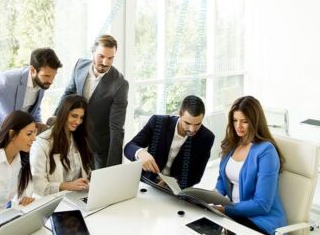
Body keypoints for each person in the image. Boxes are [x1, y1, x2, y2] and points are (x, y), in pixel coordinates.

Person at [212, 95, 287, 235]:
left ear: (255, 122)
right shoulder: (232, 145)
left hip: (261, 222)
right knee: (198, 225)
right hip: (235, 216)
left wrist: (226, 209)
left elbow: (262, 204)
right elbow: (222, 183)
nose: (238, 126)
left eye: (244, 121)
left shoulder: (266, 151)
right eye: (235, 120)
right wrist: (207, 199)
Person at [59, 35, 128, 169]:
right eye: (101, 56)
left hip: (99, 147)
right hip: (74, 139)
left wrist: (114, 168)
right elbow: (68, 94)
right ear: (93, 52)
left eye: (110, 58)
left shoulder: (120, 84)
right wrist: (56, 118)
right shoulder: (80, 65)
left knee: (100, 186)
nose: (105, 62)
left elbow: (116, 127)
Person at [123, 95, 214, 189]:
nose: (192, 129)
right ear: (180, 114)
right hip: (147, 183)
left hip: (176, 189)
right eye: (187, 123)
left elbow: (196, 176)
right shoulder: (158, 122)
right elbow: (129, 147)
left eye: (197, 124)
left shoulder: (206, 137)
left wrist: (172, 183)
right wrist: (140, 153)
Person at [30, 94, 93, 196]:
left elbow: (86, 173)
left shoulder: (79, 139)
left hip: (77, 198)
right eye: (74, 116)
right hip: (52, 203)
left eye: (81, 117)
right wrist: (68, 186)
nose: (78, 122)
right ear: (63, 114)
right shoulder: (42, 143)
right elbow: (38, 186)